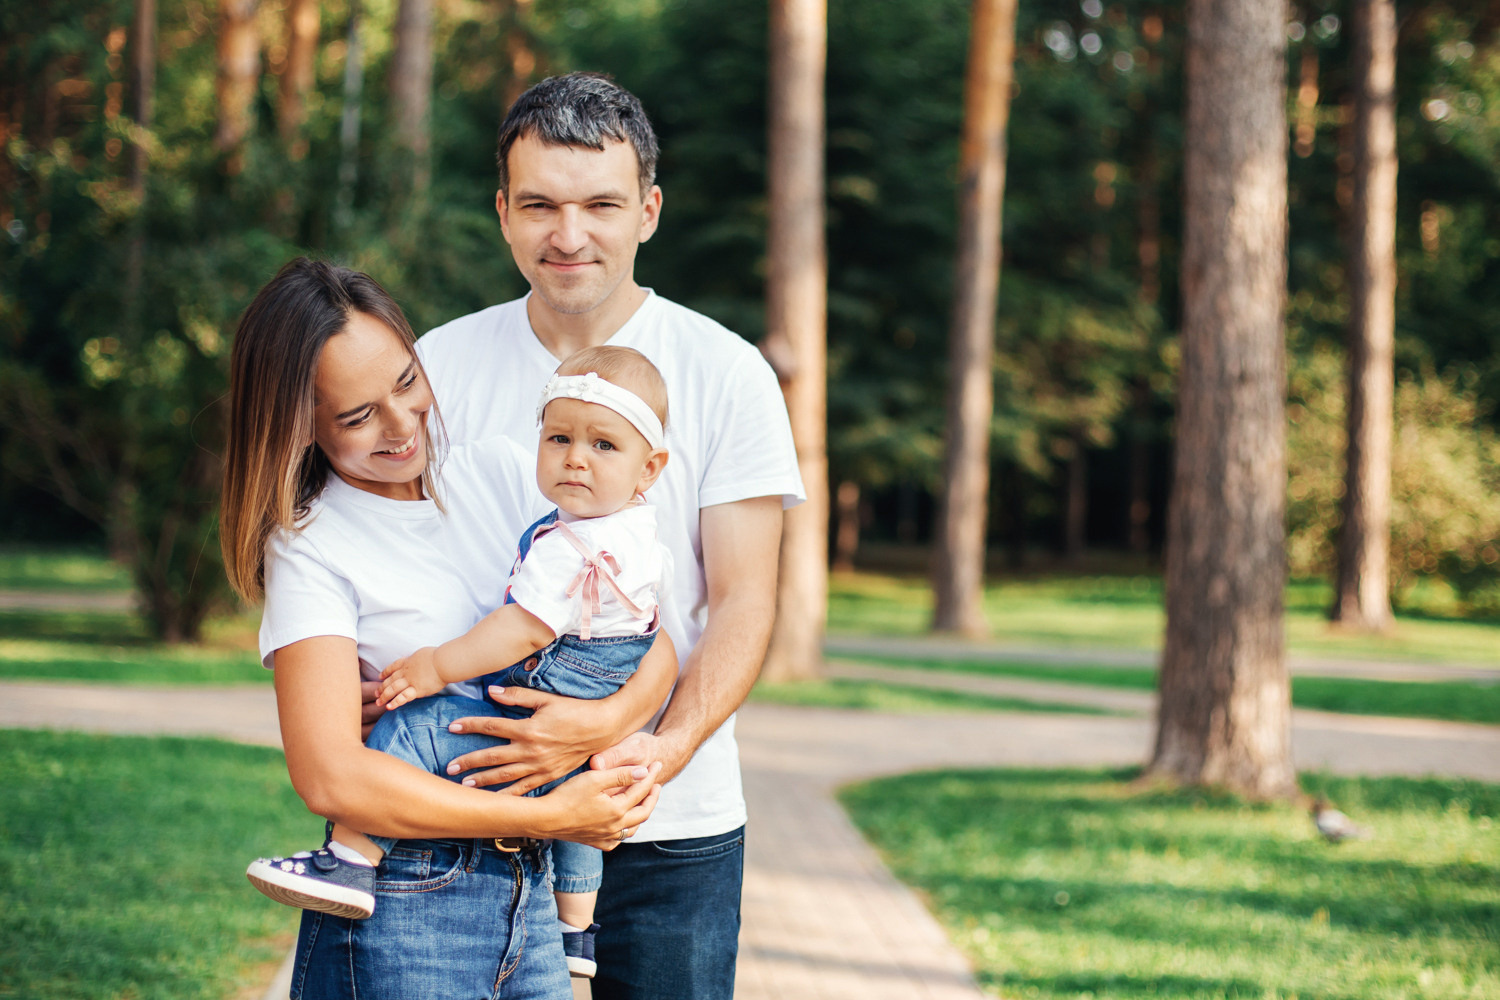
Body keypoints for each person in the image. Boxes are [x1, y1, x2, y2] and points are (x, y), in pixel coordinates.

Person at [409, 72, 805, 999]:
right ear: (503, 213)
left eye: (600, 204)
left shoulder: (727, 372)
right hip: (475, 811)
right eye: (540, 204)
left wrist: (646, 749)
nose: (569, 234)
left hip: (670, 825)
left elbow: (745, 602)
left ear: (649, 211)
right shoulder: (435, 366)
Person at [221, 257, 674, 998]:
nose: (402, 427)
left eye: (406, 382)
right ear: (301, 426)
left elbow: (651, 642)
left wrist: (599, 725)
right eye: (358, 415)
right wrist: (551, 812)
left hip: (530, 905)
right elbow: (331, 775)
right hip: (403, 906)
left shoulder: (501, 475)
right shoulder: (310, 545)